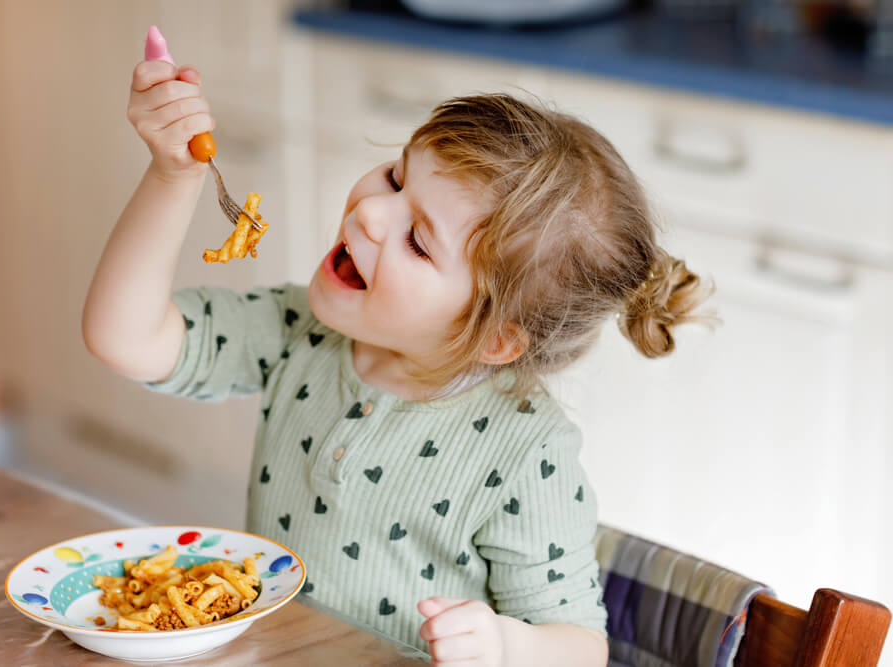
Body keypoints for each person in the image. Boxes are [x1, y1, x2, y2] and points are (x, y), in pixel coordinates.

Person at [82, 59, 712, 666]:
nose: (369, 212)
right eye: (395, 177)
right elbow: (126, 338)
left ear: (495, 339)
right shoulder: (298, 329)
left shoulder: (527, 451)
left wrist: (504, 648)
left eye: (417, 240)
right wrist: (173, 175)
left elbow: (579, 648)